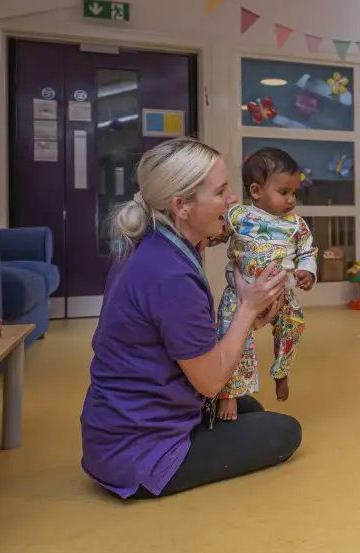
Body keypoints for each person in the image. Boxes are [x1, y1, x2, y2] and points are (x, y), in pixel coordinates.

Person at [80, 137, 302, 499]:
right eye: (220, 191)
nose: (233, 199)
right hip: (139, 454)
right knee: (285, 431)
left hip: (115, 432)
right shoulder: (170, 274)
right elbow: (212, 382)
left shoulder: (157, 243)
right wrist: (247, 308)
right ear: (181, 206)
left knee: (248, 408)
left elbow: (181, 340)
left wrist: (254, 319)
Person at [205, 147, 318, 421]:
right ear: (256, 191)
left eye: (294, 193)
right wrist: (207, 238)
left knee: (293, 325)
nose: (291, 200)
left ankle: (281, 371)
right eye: (284, 192)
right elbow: (213, 235)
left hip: (280, 292)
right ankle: (229, 394)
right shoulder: (238, 216)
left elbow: (308, 251)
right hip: (240, 295)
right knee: (231, 335)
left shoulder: (297, 225)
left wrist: (307, 271)